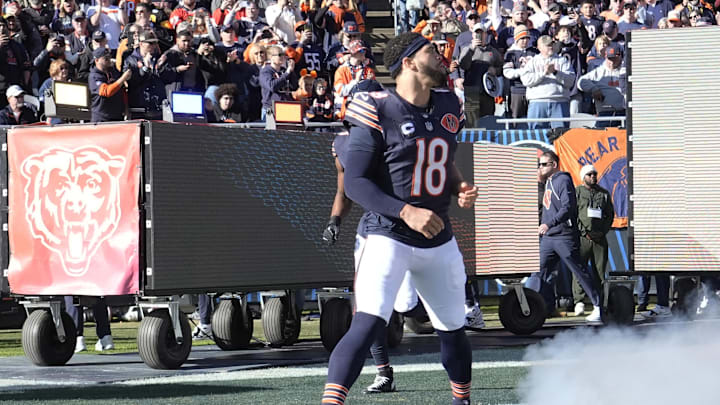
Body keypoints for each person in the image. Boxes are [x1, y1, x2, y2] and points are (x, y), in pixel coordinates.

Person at [322, 32, 478, 405]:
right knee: (369, 321)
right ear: (408, 62)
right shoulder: (375, 106)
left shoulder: (447, 103)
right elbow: (355, 182)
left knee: (453, 329)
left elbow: (439, 161)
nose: (440, 55)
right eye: (429, 51)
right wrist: (406, 210)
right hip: (388, 233)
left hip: (436, 237)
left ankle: (462, 400)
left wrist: (458, 186)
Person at [527, 151, 602, 322]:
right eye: (539, 164)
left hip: (563, 237)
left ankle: (598, 306)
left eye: (544, 164)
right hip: (549, 238)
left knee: (579, 271)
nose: (540, 167)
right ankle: (526, 307)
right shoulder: (548, 182)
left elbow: (567, 208)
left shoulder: (562, 180)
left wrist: (548, 223)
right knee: (537, 271)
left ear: (554, 165)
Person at [571, 164, 614, 316]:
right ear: (584, 177)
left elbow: (610, 215)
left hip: (599, 239)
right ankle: (579, 301)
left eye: (594, 174)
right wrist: (584, 232)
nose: (593, 177)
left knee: (600, 271)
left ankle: (599, 302)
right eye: (589, 174)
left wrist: (602, 232)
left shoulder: (603, 193)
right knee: (580, 269)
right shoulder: (577, 192)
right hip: (583, 238)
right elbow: (573, 214)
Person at [521, 35, 575, 129]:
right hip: (537, 102)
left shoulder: (562, 61)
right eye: (547, 45)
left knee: (561, 134)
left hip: (559, 102)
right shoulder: (533, 62)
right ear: (539, 47)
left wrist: (555, 72)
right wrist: (543, 73)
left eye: (551, 44)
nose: (550, 47)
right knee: (536, 134)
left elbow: (570, 81)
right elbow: (526, 80)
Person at [457, 22, 503, 127]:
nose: (479, 35)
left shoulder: (493, 51)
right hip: (471, 91)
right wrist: (471, 48)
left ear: (486, 34)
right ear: (472, 35)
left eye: (481, 33)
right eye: (477, 33)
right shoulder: (466, 49)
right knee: (471, 122)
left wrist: (495, 70)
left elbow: (501, 68)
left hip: (488, 91)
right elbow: (463, 65)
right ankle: (471, 142)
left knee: (488, 121)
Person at [577, 42, 626, 127]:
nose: (611, 62)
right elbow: (581, 82)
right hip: (605, 113)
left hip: (624, 113)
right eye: (609, 59)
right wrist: (594, 89)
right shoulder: (598, 72)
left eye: (614, 58)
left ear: (620, 57)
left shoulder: (625, 71)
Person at [124, 31, 167, 120]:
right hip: (139, 107)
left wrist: (159, 68)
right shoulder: (131, 60)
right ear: (141, 44)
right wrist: (145, 68)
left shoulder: (159, 58)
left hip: (157, 107)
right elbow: (132, 81)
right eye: (150, 43)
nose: (153, 46)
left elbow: (168, 78)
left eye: (155, 43)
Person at [503, 24, 538, 123]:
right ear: (516, 39)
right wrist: (524, 71)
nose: (525, 41)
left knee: (533, 119)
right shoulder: (510, 53)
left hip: (533, 90)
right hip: (516, 91)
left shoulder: (534, 52)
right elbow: (507, 72)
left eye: (527, 38)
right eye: (522, 38)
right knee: (516, 120)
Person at [332, 39, 375, 119]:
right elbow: (341, 91)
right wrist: (356, 81)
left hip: (363, 113)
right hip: (345, 114)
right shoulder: (341, 70)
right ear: (353, 53)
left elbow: (374, 93)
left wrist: (369, 83)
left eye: (364, 50)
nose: (364, 53)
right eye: (361, 50)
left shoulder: (368, 70)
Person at [89, 47, 131, 122]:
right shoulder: (94, 76)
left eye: (109, 57)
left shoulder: (113, 71)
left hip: (117, 116)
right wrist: (123, 78)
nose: (109, 60)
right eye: (106, 59)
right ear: (97, 60)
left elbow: (122, 89)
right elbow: (106, 91)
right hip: (101, 118)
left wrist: (126, 108)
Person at [259, 44, 297, 120]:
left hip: (286, 107)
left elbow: (294, 87)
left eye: (284, 54)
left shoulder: (284, 70)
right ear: (271, 57)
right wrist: (287, 73)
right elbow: (272, 86)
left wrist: (291, 72)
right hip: (271, 108)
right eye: (280, 55)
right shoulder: (266, 71)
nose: (283, 57)